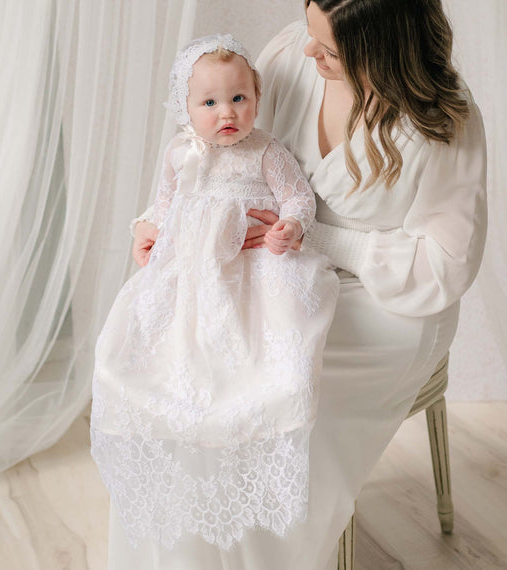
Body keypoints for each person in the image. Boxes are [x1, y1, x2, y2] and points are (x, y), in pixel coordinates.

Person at [114, 0, 487, 568]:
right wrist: (154, 222)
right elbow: (219, 155)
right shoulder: (293, 53)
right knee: (182, 371)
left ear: (384, 50)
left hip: (385, 300)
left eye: (331, 49)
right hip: (270, 277)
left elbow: (446, 264)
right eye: (311, 30)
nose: (308, 50)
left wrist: (320, 241)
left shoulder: (442, 121)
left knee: (267, 394)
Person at [90, 33, 340, 557]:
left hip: (251, 271)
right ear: (186, 108)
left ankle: (248, 434)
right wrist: (146, 228)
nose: (226, 111)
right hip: (189, 273)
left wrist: (291, 225)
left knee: (261, 356)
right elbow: (164, 203)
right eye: (209, 102)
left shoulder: (265, 151)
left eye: (238, 98)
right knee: (146, 348)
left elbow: (297, 195)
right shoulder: (181, 152)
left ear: (256, 98)